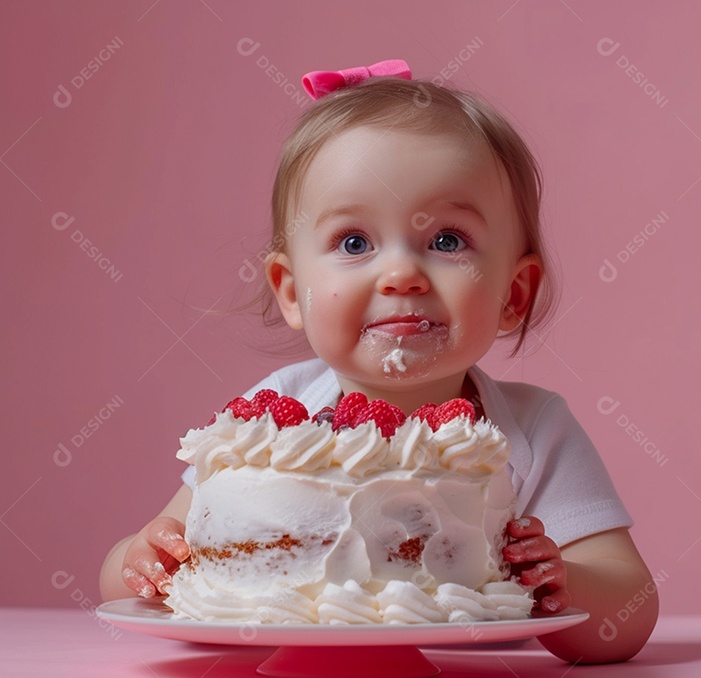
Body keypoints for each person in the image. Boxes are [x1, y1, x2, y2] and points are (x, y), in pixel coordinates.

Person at [99, 60, 658, 663]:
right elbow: (141, 578)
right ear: (292, 290)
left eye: (447, 240)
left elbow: (628, 613)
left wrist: (566, 582)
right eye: (354, 243)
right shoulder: (272, 425)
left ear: (512, 294)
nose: (400, 275)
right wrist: (146, 561)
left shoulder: (533, 430)